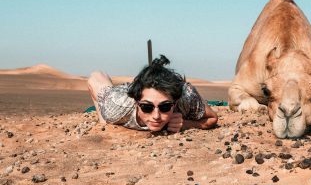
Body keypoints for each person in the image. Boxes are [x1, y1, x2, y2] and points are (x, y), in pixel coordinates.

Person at [87, 55, 218, 132]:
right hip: (120, 96)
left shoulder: (186, 97)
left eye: (165, 107)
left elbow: (212, 118)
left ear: (175, 102)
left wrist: (187, 124)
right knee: (107, 121)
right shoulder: (117, 105)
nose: (156, 116)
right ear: (137, 103)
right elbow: (94, 79)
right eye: (147, 107)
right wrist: (104, 121)